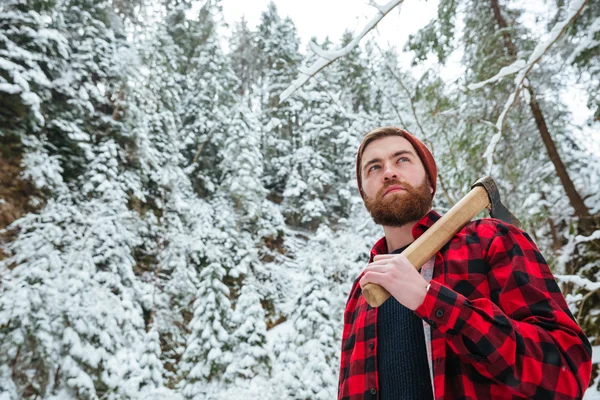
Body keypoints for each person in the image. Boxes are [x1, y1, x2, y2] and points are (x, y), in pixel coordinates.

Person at [337, 126, 592, 400]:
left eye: (402, 159)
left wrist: (430, 300)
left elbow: (566, 373)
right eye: (373, 168)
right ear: (364, 195)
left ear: (431, 181)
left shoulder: (490, 240)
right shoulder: (363, 291)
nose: (388, 172)